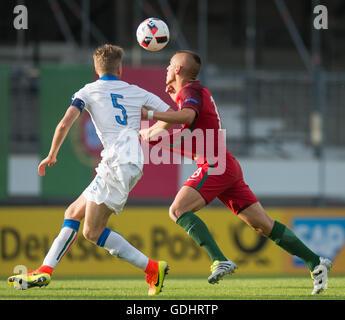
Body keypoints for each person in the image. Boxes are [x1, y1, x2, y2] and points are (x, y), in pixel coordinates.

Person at [140, 50, 332, 295]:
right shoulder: (188, 94)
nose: (166, 68)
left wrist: (149, 115)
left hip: (214, 166)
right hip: (225, 165)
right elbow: (172, 124)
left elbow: (185, 117)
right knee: (264, 225)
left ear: (178, 69)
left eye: (169, 64)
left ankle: (219, 259)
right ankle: (315, 261)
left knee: (178, 209)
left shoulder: (191, 92)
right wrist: (149, 131)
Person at [8, 44, 171, 296]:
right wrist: (150, 130)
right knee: (72, 212)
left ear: (96, 69)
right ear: (120, 68)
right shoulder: (135, 91)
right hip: (128, 162)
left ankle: (151, 268)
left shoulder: (88, 91)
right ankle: (45, 270)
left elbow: (64, 123)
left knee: (92, 232)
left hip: (116, 163)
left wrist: (51, 154)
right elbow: (170, 115)